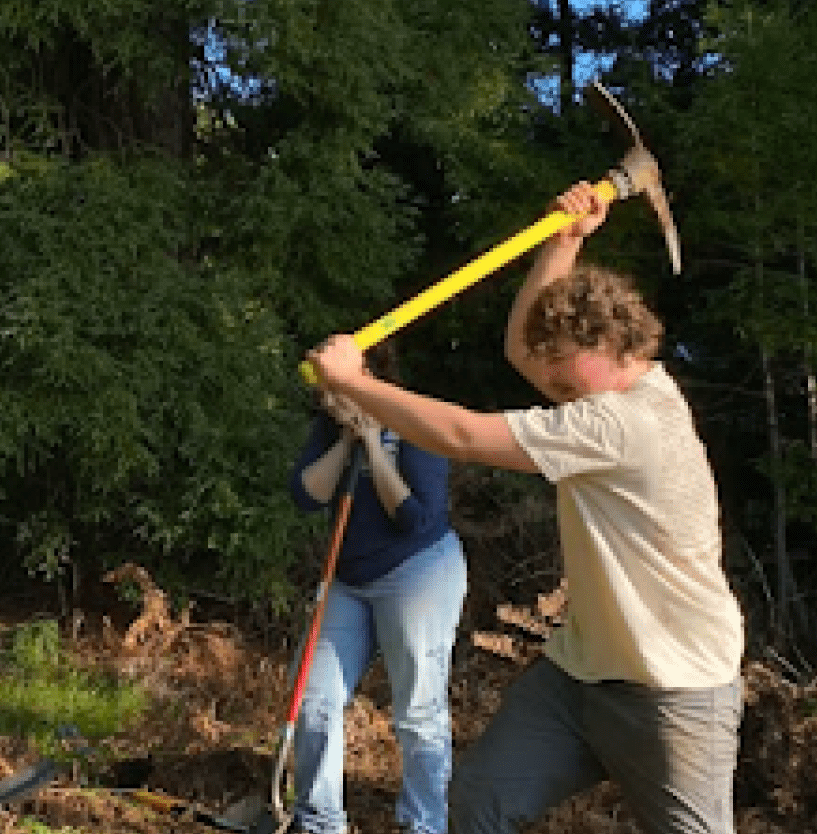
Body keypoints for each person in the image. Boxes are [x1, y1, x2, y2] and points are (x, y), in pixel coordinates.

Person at [308, 182, 744, 834]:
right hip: (577, 678)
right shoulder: (609, 386)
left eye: (565, 372)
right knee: (477, 803)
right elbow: (522, 349)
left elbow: (459, 436)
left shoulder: (624, 425)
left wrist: (354, 384)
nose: (553, 384)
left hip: (674, 689)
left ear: (612, 344)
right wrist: (562, 243)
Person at [286, 348, 467, 834]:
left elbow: (413, 517)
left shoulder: (414, 418)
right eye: (324, 386)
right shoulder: (330, 426)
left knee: (417, 709)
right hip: (349, 579)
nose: (328, 394)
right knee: (312, 696)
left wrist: (373, 441)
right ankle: (320, 819)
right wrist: (348, 440)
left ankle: (425, 824)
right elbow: (307, 494)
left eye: (337, 381)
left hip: (418, 573)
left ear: (370, 376)